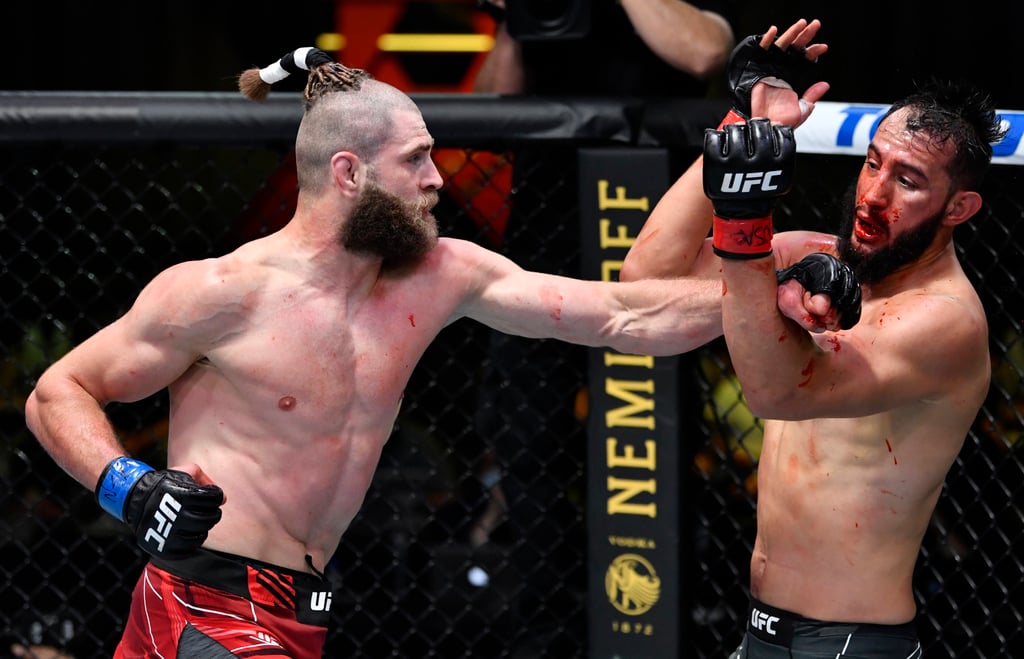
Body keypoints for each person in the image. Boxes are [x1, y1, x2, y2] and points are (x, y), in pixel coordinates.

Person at [22, 47, 836, 657]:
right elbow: (58, 390)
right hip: (203, 601)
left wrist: (770, 286)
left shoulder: (440, 274)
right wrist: (126, 484)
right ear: (348, 173)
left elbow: (625, 316)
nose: (437, 179)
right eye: (414, 159)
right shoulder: (222, 292)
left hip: (298, 610)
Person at [623, 19, 1006, 658]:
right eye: (873, 164)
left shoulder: (946, 320)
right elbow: (647, 280)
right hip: (762, 631)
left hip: (854, 641)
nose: (874, 194)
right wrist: (742, 129)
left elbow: (775, 390)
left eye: (907, 181)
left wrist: (746, 233)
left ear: (959, 209)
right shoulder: (818, 257)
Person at [469, 1, 737, 647]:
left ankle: (670, 609)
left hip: (654, 228)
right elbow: (491, 100)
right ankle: (550, 618)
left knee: (654, 424)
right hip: (547, 227)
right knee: (525, 433)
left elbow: (704, 52)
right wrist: (512, 19)